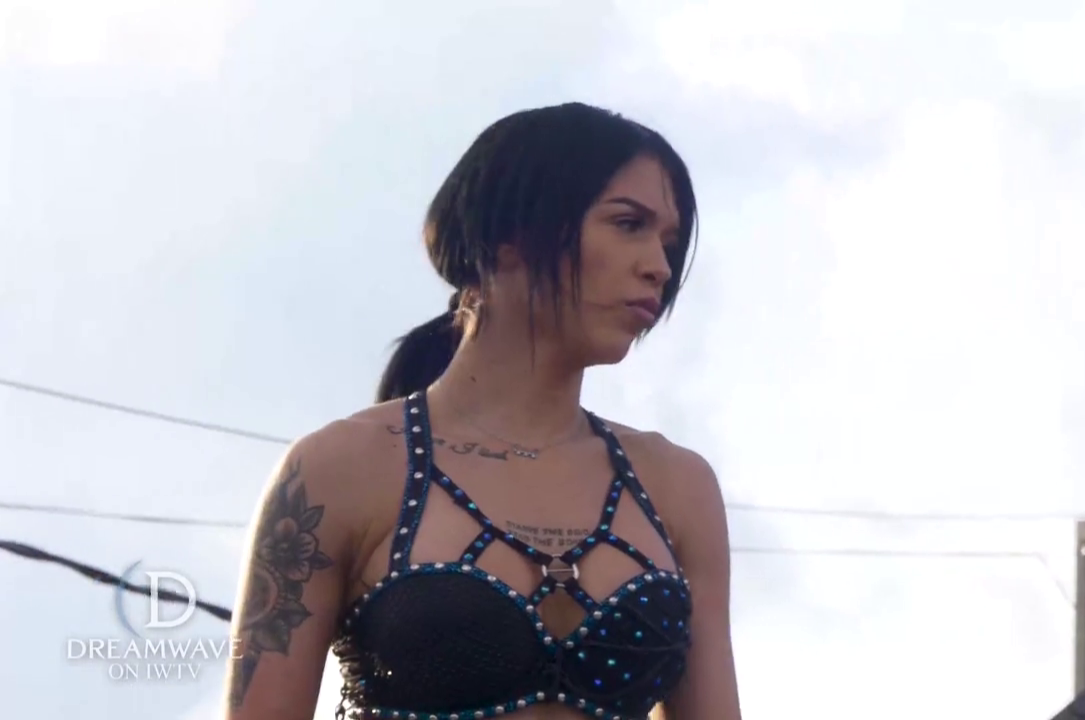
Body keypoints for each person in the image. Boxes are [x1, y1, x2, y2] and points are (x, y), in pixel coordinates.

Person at [222, 102, 741, 720]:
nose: (659, 266)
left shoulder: (677, 487)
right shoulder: (340, 469)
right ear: (508, 235)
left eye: (669, 243)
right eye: (628, 224)